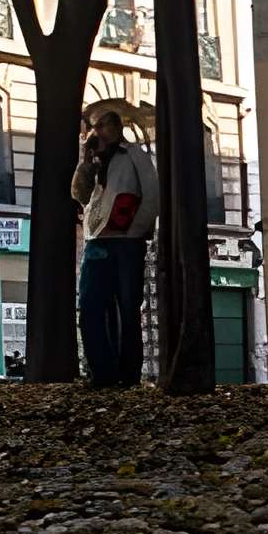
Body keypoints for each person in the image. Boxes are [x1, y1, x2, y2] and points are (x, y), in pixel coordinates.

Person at [72, 108, 157, 386]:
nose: (98, 132)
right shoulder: (94, 162)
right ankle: (102, 372)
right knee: (90, 306)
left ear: (116, 128)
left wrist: (135, 230)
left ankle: (128, 374)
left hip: (126, 243)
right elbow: (80, 196)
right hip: (97, 240)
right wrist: (86, 163)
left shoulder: (133, 155)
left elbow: (152, 194)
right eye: (94, 127)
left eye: (102, 126)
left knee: (128, 308)